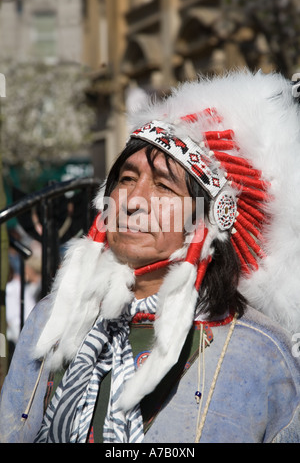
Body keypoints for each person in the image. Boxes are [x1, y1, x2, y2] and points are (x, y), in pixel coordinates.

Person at [0, 69, 300, 443]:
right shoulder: (53, 316)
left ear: (203, 223)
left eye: (163, 186)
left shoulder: (260, 351)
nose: (132, 201)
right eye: (126, 179)